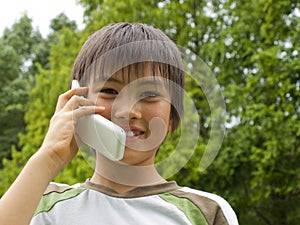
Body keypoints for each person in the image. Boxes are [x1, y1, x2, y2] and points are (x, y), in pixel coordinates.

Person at [0, 22, 238, 225]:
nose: (128, 111)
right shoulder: (40, 203)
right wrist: (49, 157)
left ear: (172, 117)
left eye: (148, 94)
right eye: (110, 90)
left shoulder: (206, 212)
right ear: (76, 102)